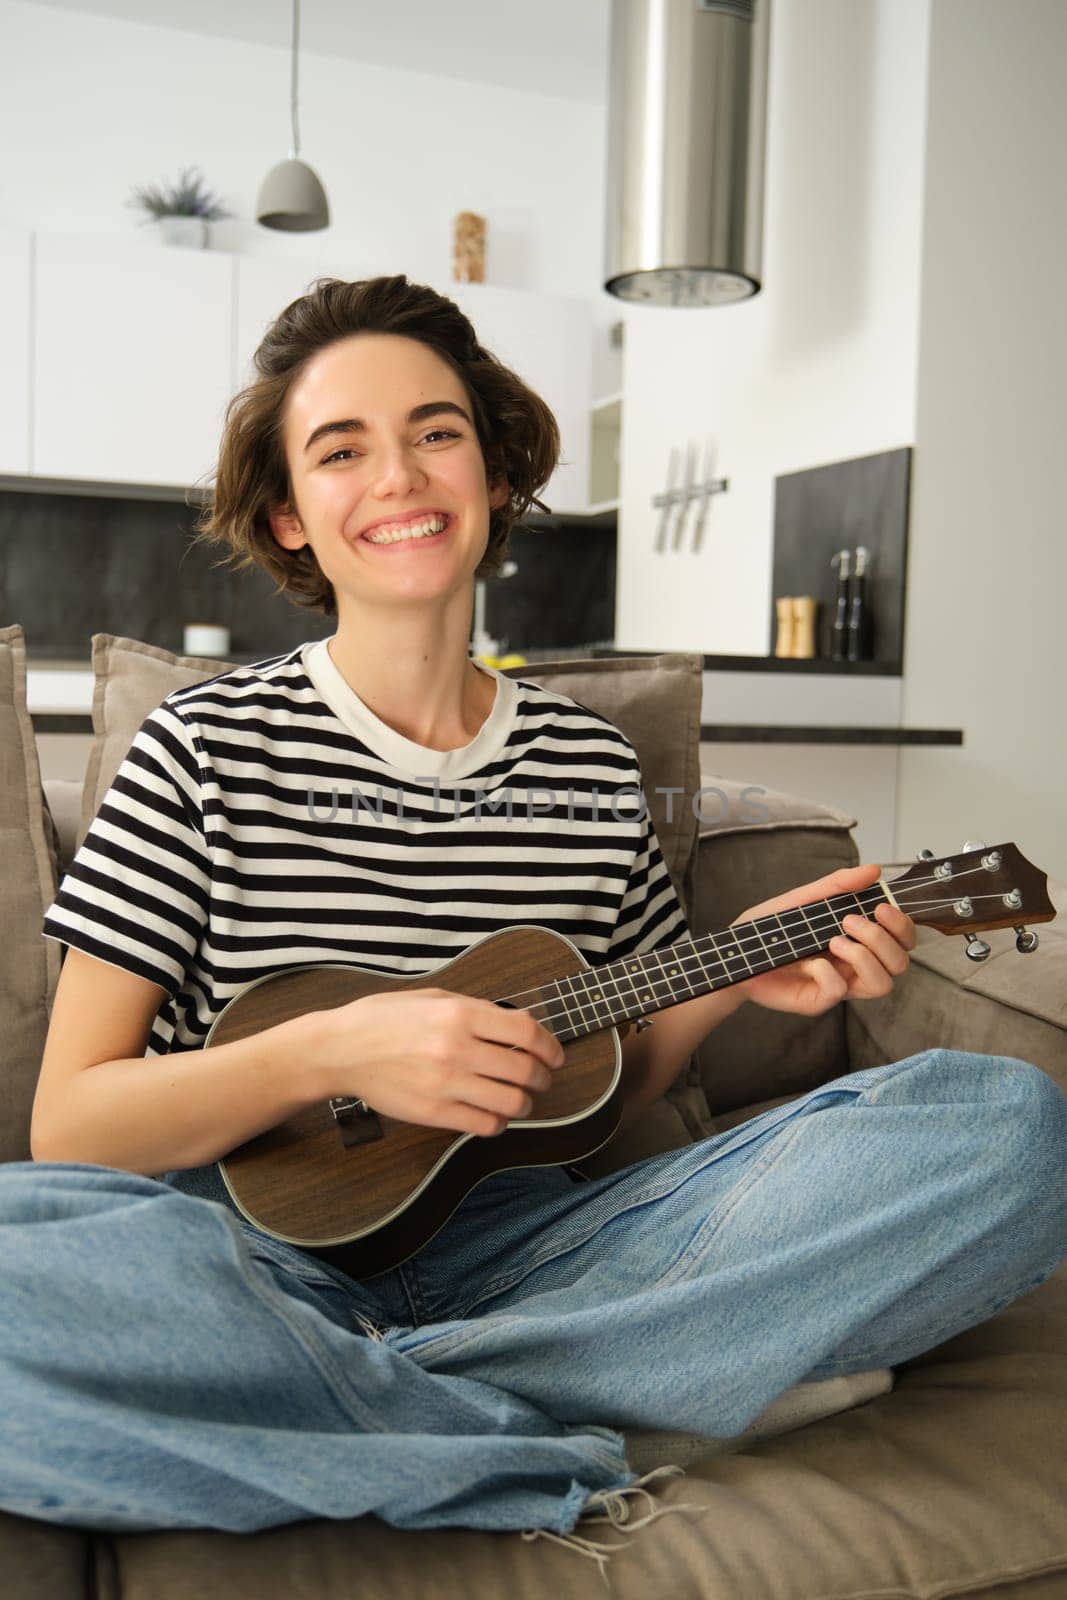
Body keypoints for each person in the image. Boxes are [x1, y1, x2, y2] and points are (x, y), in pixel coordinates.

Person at [4, 276, 1066, 1577]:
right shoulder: (197, 754)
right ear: (291, 510)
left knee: (1008, 1132)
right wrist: (331, 1055)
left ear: (497, 470)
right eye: (342, 447)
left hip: (553, 1254)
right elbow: (74, 1124)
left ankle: (391, 1410)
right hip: (237, 1264)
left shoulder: (588, 767)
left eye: (435, 430)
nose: (397, 473)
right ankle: (560, 1428)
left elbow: (610, 1086)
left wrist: (743, 972)